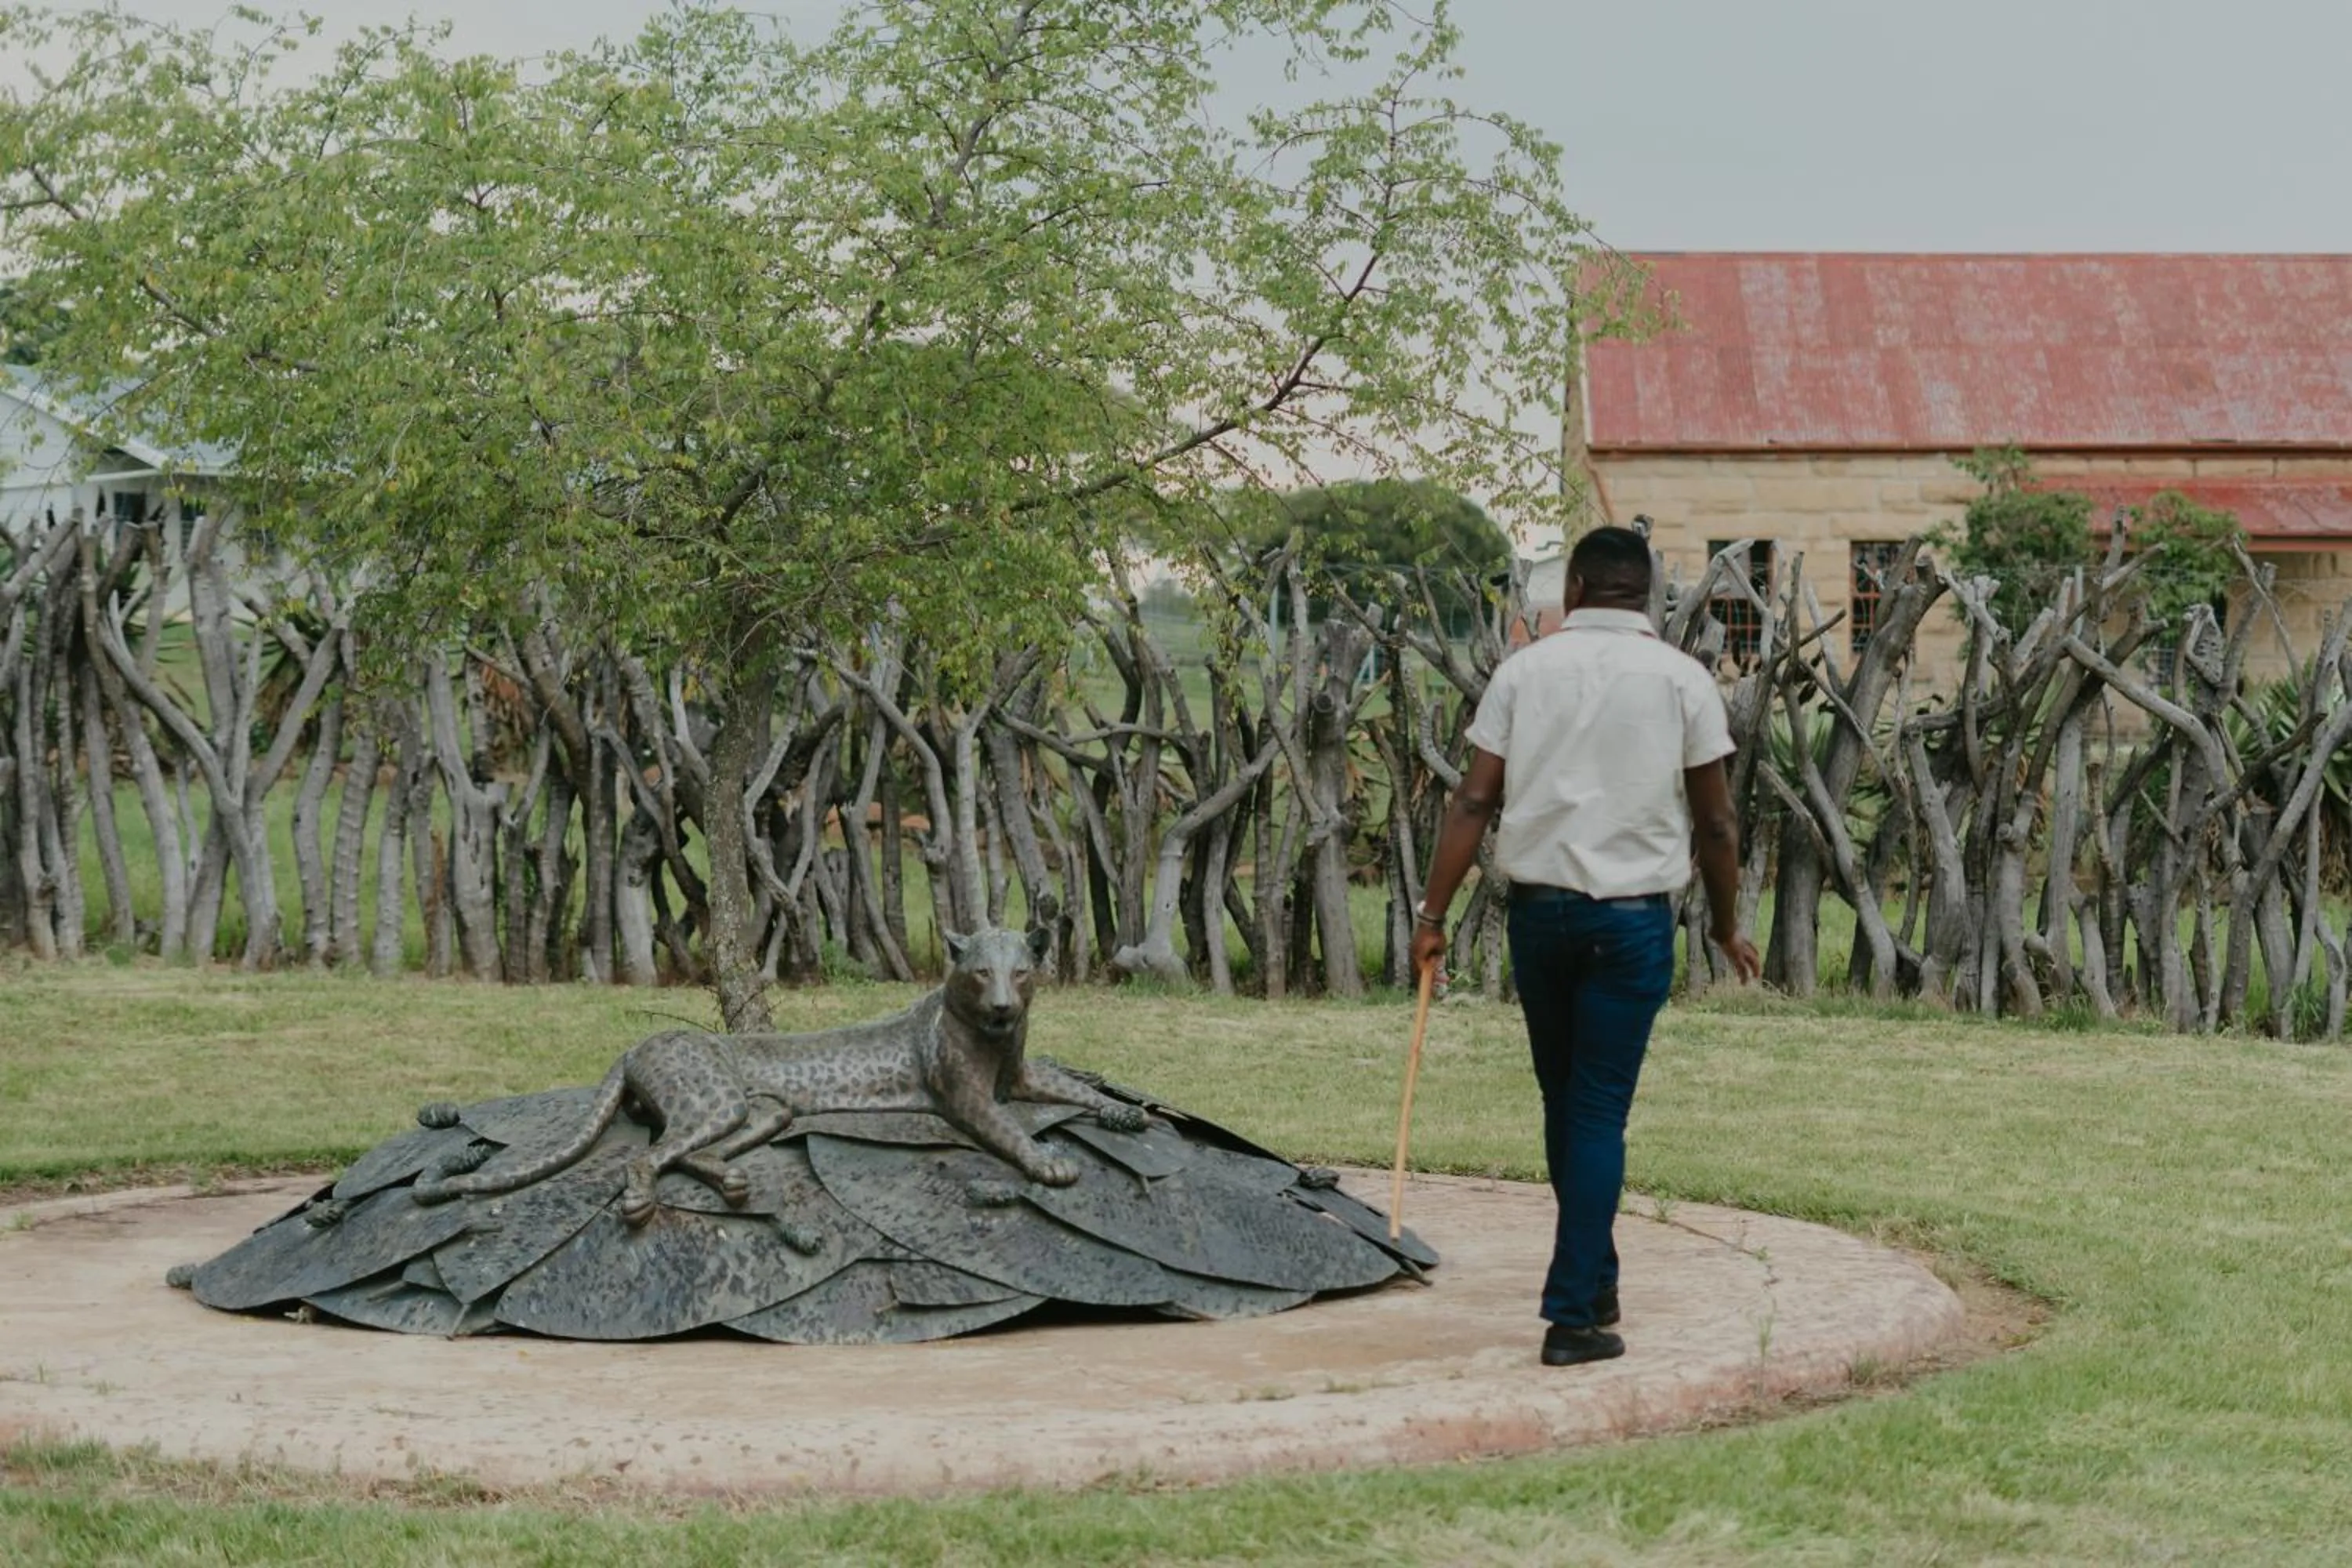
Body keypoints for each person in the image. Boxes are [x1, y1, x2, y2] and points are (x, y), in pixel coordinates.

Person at [1410, 525, 1761, 1368]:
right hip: (1633, 922)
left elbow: (1472, 801)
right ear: (1646, 595)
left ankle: (1596, 1280)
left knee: (1565, 1103)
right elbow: (1715, 818)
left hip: (1540, 917)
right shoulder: (1683, 680)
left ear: (1571, 587)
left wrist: (1434, 914)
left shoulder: (1523, 671)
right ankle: (1573, 1315)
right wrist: (1723, 922)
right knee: (1597, 1111)